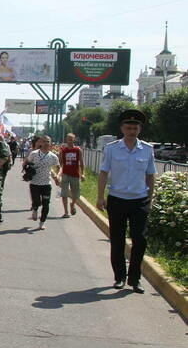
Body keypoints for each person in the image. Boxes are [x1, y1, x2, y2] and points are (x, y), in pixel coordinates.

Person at [96, 109, 156, 294]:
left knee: (140, 240)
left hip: (139, 201)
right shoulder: (112, 148)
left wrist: (150, 199)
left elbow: (150, 176)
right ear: (122, 129)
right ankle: (120, 277)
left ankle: (135, 278)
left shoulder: (147, 149)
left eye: (135, 128)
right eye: (129, 127)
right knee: (117, 240)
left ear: (139, 129)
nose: (132, 131)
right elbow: (104, 173)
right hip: (117, 199)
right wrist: (100, 196)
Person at [23, 135, 60, 230]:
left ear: (50, 144)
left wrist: (57, 177)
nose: (45, 143)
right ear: (40, 143)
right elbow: (25, 163)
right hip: (34, 183)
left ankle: (42, 222)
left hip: (46, 184)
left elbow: (58, 168)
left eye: (48, 141)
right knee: (36, 202)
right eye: (43, 141)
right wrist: (27, 168)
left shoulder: (53, 156)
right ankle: (35, 209)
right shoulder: (34, 154)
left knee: (46, 203)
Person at [58, 133, 84, 218]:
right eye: (68, 139)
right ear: (66, 140)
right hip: (65, 174)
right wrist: (59, 173)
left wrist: (83, 174)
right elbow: (61, 163)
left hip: (75, 174)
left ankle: (72, 204)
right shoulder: (63, 151)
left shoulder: (78, 150)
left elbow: (81, 163)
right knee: (64, 193)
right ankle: (66, 212)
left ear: (74, 140)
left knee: (76, 194)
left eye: (71, 139)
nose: (69, 140)